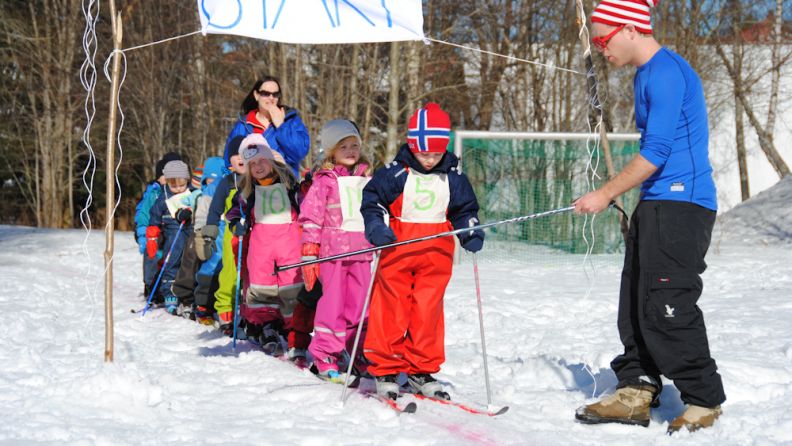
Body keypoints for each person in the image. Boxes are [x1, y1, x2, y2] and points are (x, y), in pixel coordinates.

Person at [573, 0, 725, 434]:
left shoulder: (666, 73)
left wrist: (605, 193)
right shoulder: (645, 74)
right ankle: (636, 388)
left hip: (683, 205)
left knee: (667, 302)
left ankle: (703, 399)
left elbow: (656, 152)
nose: (601, 49)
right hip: (657, 204)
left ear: (630, 29)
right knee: (635, 301)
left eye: (604, 40)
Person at [360, 103, 484, 400]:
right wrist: (376, 227)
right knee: (391, 309)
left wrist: (469, 229)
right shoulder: (396, 173)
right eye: (423, 153)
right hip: (398, 251)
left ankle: (421, 369)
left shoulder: (453, 176)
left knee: (428, 312)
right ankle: (386, 368)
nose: (429, 160)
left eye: (436, 154)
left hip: (436, 256)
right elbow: (372, 202)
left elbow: (465, 209)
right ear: (412, 146)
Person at [298, 119, 373, 382]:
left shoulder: (367, 179)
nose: (351, 151)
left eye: (354, 145)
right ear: (332, 150)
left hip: (363, 252)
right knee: (333, 305)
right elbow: (311, 218)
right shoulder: (325, 181)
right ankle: (325, 355)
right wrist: (310, 251)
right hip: (334, 255)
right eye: (344, 146)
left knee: (360, 306)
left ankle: (357, 351)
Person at [226, 134, 304, 358]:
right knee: (262, 286)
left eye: (262, 160)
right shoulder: (247, 191)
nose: (258, 167)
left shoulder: (289, 185)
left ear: (271, 160)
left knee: (291, 286)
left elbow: (305, 205)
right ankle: (266, 326)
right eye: (252, 164)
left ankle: (293, 329)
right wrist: (236, 223)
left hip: (289, 245)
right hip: (261, 247)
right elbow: (234, 213)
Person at [172, 156, 226, 322]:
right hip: (197, 233)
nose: (213, 182)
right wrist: (182, 212)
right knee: (190, 264)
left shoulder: (222, 191)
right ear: (204, 179)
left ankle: (214, 302)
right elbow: (180, 205)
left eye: (217, 179)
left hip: (217, 235)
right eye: (210, 179)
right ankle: (185, 298)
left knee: (217, 266)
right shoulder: (196, 194)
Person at [224, 75, 310, 177]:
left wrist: (281, 126)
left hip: (283, 182)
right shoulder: (243, 125)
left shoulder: (291, 120)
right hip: (250, 184)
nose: (271, 98)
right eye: (265, 94)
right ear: (256, 95)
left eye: (275, 94)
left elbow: (299, 153)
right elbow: (228, 161)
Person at [203, 136, 246, 334]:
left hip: (257, 236)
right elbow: (215, 209)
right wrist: (209, 233)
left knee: (252, 275)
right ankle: (225, 311)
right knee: (230, 272)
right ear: (230, 161)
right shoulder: (227, 182)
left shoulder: (259, 180)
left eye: (245, 154)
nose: (241, 158)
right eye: (237, 155)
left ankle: (251, 314)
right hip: (232, 236)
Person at [146, 160, 195, 315]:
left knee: (190, 265)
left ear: (187, 180)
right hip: (173, 234)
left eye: (182, 185)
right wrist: (152, 234)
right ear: (167, 182)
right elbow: (154, 215)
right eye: (174, 186)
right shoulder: (164, 197)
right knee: (171, 262)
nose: (178, 189)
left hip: (191, 232)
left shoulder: (192, 193)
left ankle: (189, 295)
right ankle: (169, 294)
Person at [134, 152, 181, 300]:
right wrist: (142, 234)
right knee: (153, 257)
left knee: (171, 260)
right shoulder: (153, 192)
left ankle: (170, 288)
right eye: (164, 176)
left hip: (173, 233)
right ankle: (151, 287)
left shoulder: (181, 192)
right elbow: (143, 214)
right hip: (155, 232)